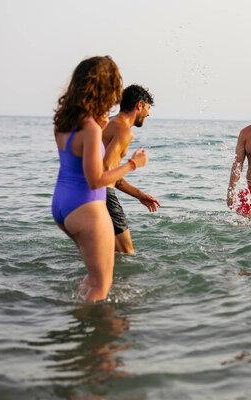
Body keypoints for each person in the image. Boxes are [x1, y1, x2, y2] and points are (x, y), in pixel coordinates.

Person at [51, 56, 149, 301]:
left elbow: (74, 162)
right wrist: (132, 164)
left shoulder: (63, 123)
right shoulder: (91, 128)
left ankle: (74, 317)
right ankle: (90, 336)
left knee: (93, 278)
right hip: (87, 207)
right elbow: (97, 179)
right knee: (100, 287)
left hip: (62, 206)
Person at [103, 85, 160, 254]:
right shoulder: (123, 130)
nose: (148, 114)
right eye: (148, 108)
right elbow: (107, 172)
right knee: (126, 253)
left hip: (85, 191)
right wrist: (133, 164)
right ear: (139, 105)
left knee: (101, 250)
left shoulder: (108, 122)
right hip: (104, 195)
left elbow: (110, 173)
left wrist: (139, 195)